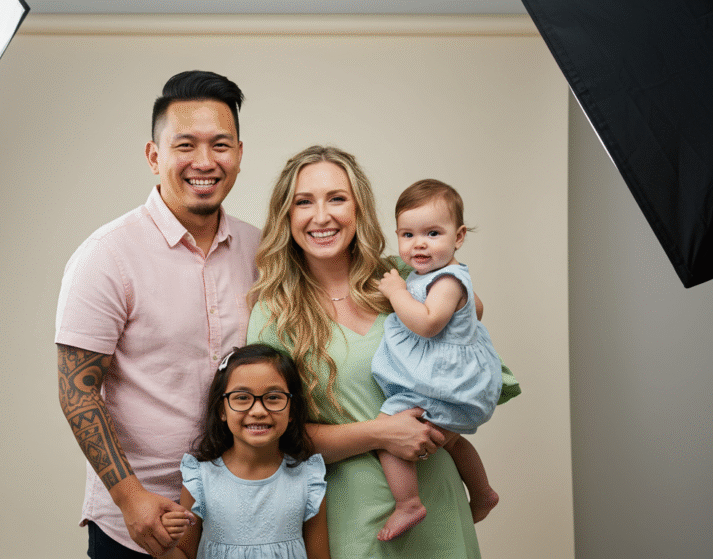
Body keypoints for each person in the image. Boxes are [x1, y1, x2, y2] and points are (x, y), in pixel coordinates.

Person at [248, 145, 520, 558]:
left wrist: (448, 424)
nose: (321, 216)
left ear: (358, 208)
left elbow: (469, 350)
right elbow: (272, 436)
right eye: (304, 202)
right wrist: (381, 433)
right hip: (354, 518)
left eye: (337, 198)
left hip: (440, 503)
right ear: (286, 215)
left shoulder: (405, 276)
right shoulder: (273, 315)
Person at [54, 70, 259, 558]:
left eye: (220, 145)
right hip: (142, 523)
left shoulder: (261, 249)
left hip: (241, 515)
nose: (204, 162)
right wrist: (130, 498)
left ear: (239, 154)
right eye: (185, 145)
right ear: (154, 156)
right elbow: (77, 391)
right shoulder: (107, 254)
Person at [371, 179, 502, 541]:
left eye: (432, 233)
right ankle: (483, 492)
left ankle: (408, 503)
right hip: (453, 379)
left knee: (388, 427)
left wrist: (397, 293)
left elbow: (428, 324)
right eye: (408, 235)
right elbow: (477, 309)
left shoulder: (446, 280)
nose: (419, 243)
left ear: (458, 237)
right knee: (452, 441)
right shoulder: (440, 276)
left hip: (444, 380)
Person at [158, 344, 330, 559]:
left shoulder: (308, 479)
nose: (258, 411)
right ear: (222, 410)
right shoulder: (199, 479)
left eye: (273, 397)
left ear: (292, 409)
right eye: (241, 397)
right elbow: (184, 554)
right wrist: (164, 545)